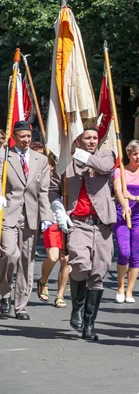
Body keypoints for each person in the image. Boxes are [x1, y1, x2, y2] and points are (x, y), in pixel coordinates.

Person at [49, 127, 117, 340]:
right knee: (80, 265)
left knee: (98, 272)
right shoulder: (65, 164)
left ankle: (89, 324)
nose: (92, 141)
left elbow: (105, 167)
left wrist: (78, 153)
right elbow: (53, 190)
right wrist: (59, 209)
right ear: (78, 139)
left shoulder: (106, 155)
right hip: (78, 223)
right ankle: (77, 307)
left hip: (102, 224)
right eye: (87, 137)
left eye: (95, 138)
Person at [0, 121, 53, 320]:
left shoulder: (40, 160)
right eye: (22, 136)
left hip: (31, 216)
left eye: (29, 136)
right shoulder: (4, 155)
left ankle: (21, 306)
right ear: (14, 137)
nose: (26, 140)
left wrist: (46, 216)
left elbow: (44, 192)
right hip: (9, 213)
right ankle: (4, 292)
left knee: (26, 261)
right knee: (9, 254)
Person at [113, 140, 139, 303]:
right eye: (134, 154)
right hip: (122, 216)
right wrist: (124, 205)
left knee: (135, 255)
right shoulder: (119, 172)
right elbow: (117, 190)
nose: (137, 157)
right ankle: (120, 286)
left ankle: (130, 290)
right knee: (124, 252)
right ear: (128, 154)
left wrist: (134, 198)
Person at [37, 153, 69, 309]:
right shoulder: (44, 177)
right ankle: (43, 280)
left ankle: (60, 295)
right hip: (51, 219)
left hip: (69, 220)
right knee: (53, 256)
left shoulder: (71, 172)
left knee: (66, 260)